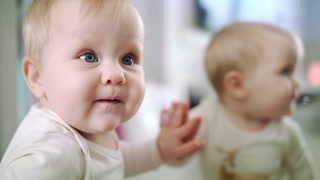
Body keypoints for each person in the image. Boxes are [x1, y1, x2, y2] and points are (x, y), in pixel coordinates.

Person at [0, 0, 203, 179]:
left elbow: (115, 159)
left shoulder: (85, 130)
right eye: (88, 57)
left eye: (128, 59)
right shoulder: (52, 156)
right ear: (37, 77)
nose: (116, 74)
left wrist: (159, 149)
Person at [181, 22, 316, 180]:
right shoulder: (206, 118)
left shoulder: (287, 133)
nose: (297, 83)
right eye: (285, 72)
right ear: (237, 86)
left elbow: (304, 173)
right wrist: (174, 137)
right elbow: (177, 157)